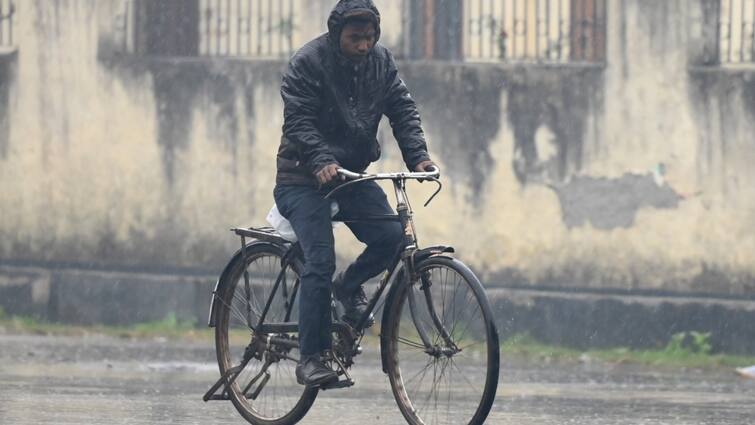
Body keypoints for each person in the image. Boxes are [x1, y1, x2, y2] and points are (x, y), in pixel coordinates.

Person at [273, 0, 436, 387]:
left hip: (350, 175)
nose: (364, 45)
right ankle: (311, 358)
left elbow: (403, 110)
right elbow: (298, 119)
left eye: (369, 37)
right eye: (354, 38)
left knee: (393, 237)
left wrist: (420, 158)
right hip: (301, 179)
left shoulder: (381, 62)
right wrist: (320, 159)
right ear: (335, 34)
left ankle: (348, 287)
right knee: (320, 258)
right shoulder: (308, 62)